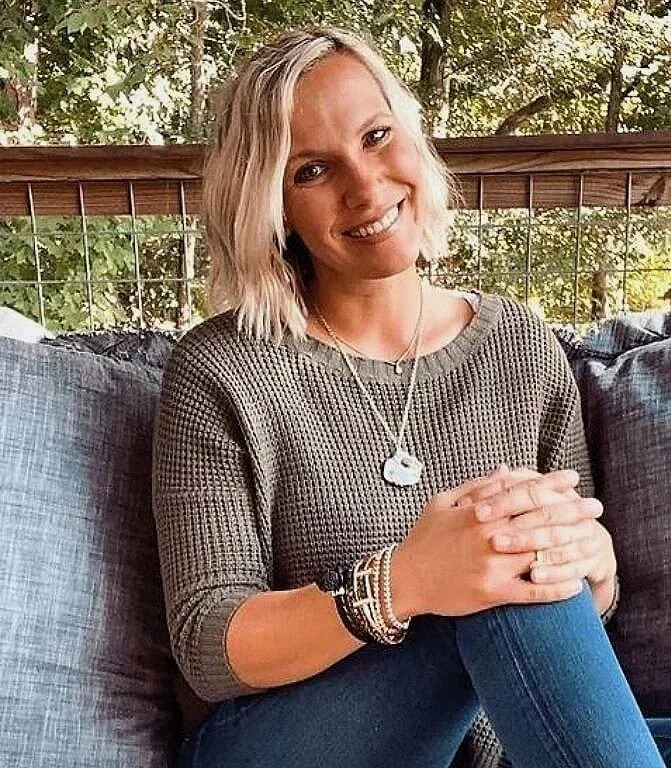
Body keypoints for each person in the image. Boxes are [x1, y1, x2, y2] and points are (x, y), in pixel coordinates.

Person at [152, 27, 669, 768]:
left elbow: (578, 612)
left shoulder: (518, 345)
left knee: (517, 560)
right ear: (271, 206)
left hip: (503, 745)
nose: (364, 187)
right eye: (311, 170)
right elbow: (210, 642)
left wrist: (595, 568)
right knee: (497, 564)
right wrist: (406, 583)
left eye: (375, 136)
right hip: (290, 741)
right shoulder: (220, 370)